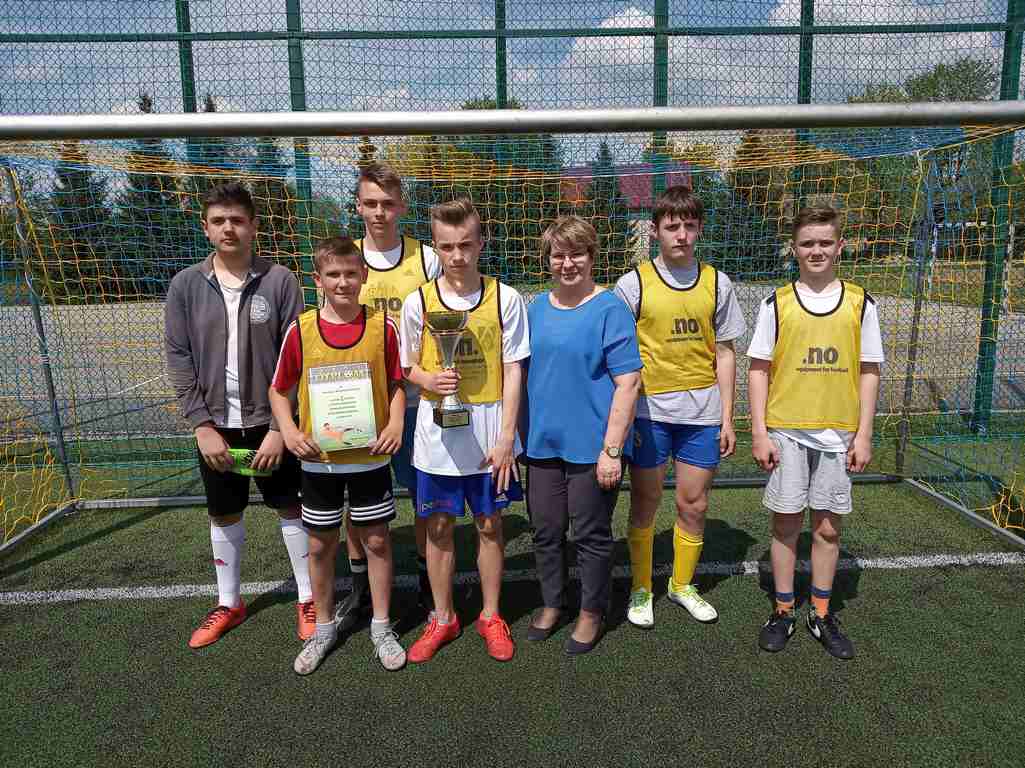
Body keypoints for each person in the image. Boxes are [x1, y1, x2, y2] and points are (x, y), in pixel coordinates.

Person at [164, 182, 313, 648]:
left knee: (291, 507)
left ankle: (308, 598)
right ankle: (229, 602)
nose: (228, 228)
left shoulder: (280, 280)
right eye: (219, 221)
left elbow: (296, 358)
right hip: (216, 427)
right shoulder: (186, 285)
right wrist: (201, 425)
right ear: (206, 228)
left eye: (237, 220)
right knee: (224, 511)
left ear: (254, 226)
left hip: (271, 424)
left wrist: (279, 428)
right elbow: (179, 356)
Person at [748, 205, 882, 659]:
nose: (817, 250)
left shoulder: (861, 303)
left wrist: (864, 434)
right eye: (808, 243)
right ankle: (784, 609)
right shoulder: (776, 303)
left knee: (827, 529)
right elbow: (758, 370)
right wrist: (760, 432)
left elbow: (869, 371)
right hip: (786, 431)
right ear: (794, 248)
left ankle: (821, 613)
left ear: (840, 246)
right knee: (786, 524)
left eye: (825, 242)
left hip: (838, 435)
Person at [399, 197, 530, 663]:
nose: (457, 256)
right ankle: (443, 617)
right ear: (435, 247)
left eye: (466, 245)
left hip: (490, 430)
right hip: (437, 433)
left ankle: (491, 615)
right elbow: (405, 366)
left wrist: (507, 437)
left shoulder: (506, 298)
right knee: (437, 527)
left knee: (490, 524)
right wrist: (428, 380)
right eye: (447, 246)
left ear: (481, 243)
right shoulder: (417, 301)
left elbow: (514, 369)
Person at [269, 236, 407, 674]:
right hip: (319, 461)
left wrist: (395, 424)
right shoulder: (301, 329)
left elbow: (397, 383)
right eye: (333, 274)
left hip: (370, 457)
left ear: (363, 275)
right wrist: (290, 430)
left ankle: (381, 626)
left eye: (350, 273)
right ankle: (324, 627)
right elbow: (279, 390)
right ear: (318, 280)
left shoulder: (383, 327)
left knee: (377, 540)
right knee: (319, 544)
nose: (343, 282)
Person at [614, 185, 746, 628]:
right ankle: (641, 587)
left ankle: (681, 584)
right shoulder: (633, 283)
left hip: (702, 417)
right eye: (673, 226)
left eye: (690, 226)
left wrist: (727, 417)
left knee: (694, 504)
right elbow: (618, 354)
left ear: (700, 229)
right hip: (649, 415)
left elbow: (725, 353)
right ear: (656, 231)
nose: (682, 235)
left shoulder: (717, 283)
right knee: (646, 502)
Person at [523, 216, 641, 654]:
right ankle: (553, 602)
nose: (567, 263)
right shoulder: (535, 310)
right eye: (559, 255)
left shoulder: (610, 309)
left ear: (592, 257)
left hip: (593, 448)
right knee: (545, 529)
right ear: (547, 260)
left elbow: (628, 383)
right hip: (542, 445)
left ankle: (592, 611)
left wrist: (611, 450)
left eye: (576, 254)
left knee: (590, 534)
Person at [335, 163, 443, 631]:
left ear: (401, 206)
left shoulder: (427, 259)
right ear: (358, 206)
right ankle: (360, 589)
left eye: (387, 203)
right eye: (370, 203)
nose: (379, 212)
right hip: (361, 404)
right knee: (355, 504)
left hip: (418, 402)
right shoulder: (346, 259)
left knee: (424, 497)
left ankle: (426, 584)